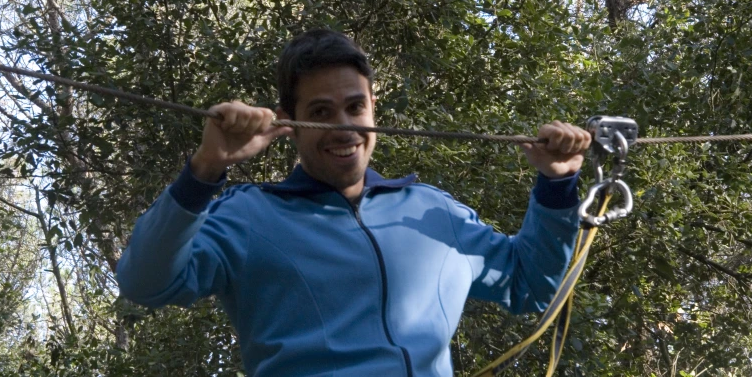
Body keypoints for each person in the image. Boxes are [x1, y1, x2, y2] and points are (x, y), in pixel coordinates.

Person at [116, 29, 592, 377]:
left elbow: (530, 285)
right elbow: (145, 282)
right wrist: (205, 168)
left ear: (373, 107)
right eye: (320, 113)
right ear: (289, 121)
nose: (343, 126)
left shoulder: (432, 211)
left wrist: (557, 184)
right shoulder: (247, 216)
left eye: (354, 107)